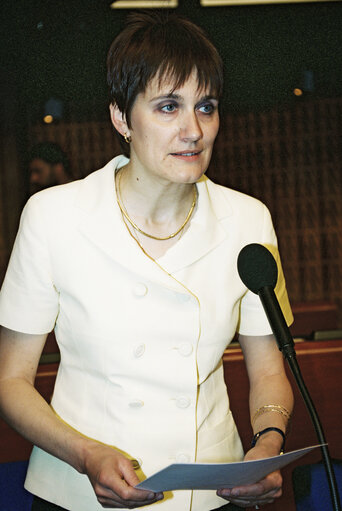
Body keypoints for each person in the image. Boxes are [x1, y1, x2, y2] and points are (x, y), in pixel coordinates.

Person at [0, 11, 294, 511]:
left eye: (206, 106)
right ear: (121, 117)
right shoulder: (53, 215)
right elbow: (10, 380)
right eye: (167, 107)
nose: (193, 130)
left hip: (210, 493)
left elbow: (268, 369)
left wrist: (268, 444)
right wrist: (86, 454)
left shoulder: (249, 220)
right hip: (77, 492)